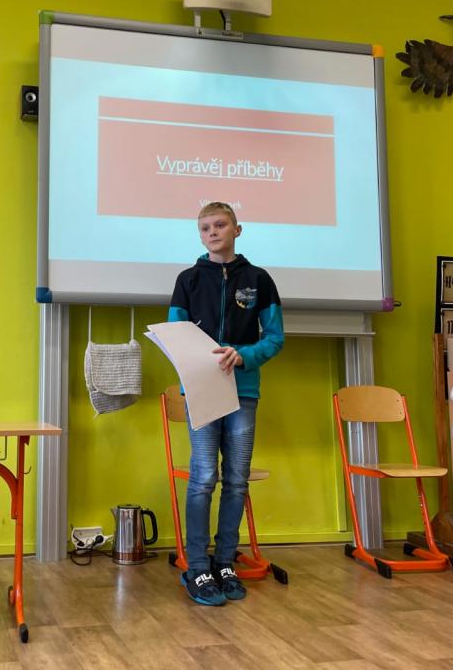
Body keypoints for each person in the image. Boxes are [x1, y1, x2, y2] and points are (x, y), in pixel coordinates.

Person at [168, 201, 284, 606]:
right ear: (200, 235)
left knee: (236, 479)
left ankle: (225, 562)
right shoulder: (187, 280)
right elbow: (176, 337)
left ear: (237, 229)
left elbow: (275, 337)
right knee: (203, 477)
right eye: (205, 227)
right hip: (201, 390)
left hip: (243, 390)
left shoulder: (259, 279)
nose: (213, 232)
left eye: (220, 225)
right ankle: (198, 566)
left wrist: (244, 355)